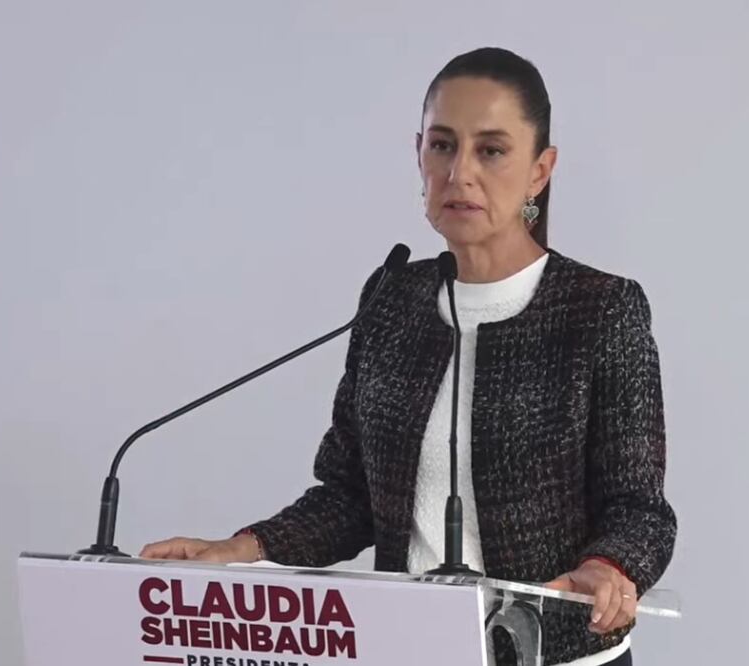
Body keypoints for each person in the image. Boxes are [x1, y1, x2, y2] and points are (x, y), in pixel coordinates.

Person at [140, 47, 676, 666]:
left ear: (540, 170)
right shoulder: (393, 298)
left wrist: (605, 568)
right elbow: (350, 497)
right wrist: (244, 548)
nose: (460, 172)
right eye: (442, 145)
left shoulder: (601, 310)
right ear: (418, 152)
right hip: (411, 650)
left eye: (492, 150)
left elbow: (640, 510)